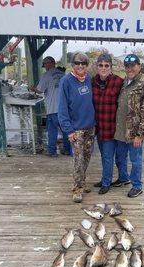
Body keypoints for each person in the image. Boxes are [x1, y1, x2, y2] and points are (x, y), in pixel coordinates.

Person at [113, 54, 144, 198]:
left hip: (134, 133)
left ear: (139, 66)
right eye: (127, 66)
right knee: (120, 157)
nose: (130, 69)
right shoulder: (125, 82)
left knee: (135, 160)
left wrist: (140, 135)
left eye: (133, 66)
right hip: (120, 131)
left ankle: (137, 185)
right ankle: (123, 178)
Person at [58, 52, 95, 203]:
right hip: (76, 129)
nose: (80, 66)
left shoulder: (88, 79)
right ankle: (76, 188)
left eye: (84, 63)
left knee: (86, 158)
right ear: (72, 65)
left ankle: (82, 181)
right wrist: (69, 130)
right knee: (78, 160)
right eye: (77, 63)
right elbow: (62, 109)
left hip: (90, 127)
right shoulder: (66, 81)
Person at [92, 53, 123, 195]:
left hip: (111, 128)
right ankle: (105, 178)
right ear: (97, 66)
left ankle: (106, 183)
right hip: (98, 127)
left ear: (111, 67)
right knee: (104, 155)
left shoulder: (118, 81)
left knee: (107, 156)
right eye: (101, 65)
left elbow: (131, 90)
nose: (103, 68)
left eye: (106, 65)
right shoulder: (92, 82)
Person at [30, 56, 70, 157]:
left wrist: (32, 88)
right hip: (65, 109)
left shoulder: (46, 75)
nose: (45, 68)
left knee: (52, 131)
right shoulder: (64, 75)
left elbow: (40, 90)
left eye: (45, 65)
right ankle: (67, 150)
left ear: (49, 64)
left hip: (52, 108)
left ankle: (52, 152)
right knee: (66, 130)